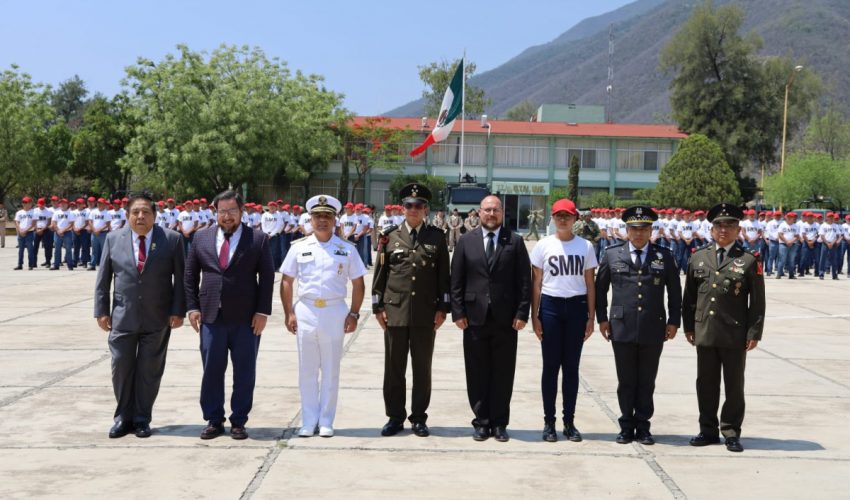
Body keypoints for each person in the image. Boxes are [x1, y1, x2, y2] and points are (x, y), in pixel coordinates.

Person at [94, 193, 186, 438]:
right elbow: (103, 279)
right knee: (121, 367)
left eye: (146, 212)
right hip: (122, 317)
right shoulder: (113, 239)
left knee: (149, 371)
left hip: (157, 317)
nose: (140, 216)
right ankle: (123, 418)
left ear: (155, 215)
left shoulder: (172, 239)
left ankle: (142, 418)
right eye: (135, 212)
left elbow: (181, 279)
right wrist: (101, 310)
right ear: (127, 215)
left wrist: (179, 310)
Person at [185, 190, 275, 440]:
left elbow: (267, 278)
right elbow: (190, 275)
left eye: (232, 211)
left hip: (246, 319)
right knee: (211, 370)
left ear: (241, 212)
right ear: (215, 212)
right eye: (222, 211)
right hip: (211, 317)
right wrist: (192, 307)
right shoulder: (201, 237)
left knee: (244, 372)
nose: (227, 216)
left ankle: (239, 421)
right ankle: (214, 419)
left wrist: (262, 311)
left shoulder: (257, 239)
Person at [280, 195, 366, 438]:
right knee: (307, 369)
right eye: (317, 216)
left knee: (330, 369)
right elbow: (286, 281)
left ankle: (326, 420)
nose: (322, 220)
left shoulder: (347, 249)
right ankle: (309, 420)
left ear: (335, 219)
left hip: (334, 311)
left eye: (327, 216)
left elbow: (358, 284)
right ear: (310, 219)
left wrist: (354, 313)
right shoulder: (299, 247)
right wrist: (289, 313)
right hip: (306, 310)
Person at [682, 202, 765, 453]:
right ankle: (707, 430)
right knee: (706, 384)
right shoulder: (698, 257)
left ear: (738, 229)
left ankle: (731, 431)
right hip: (705, 331)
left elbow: (757, 302)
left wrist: (754, 333)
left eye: (729, 225)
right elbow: (689, 298)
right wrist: (689, 327)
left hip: (734, 333)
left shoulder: (748, 260)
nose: (723, 230)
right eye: (718, 225)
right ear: (711, 229)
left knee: (734, 385)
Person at [595, 205, 681, 445]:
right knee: (626, 380)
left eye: (644, 229)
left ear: (651, 230)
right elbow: (600, 290)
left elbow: (675, 291)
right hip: (621, 326)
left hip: (653, 326)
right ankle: (626, 425)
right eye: (634, 229)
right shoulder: (612, 254)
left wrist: (674, 321)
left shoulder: (664, 255)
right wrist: (602, 319)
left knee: (646, 381)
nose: (639, 233)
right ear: (627, 230)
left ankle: (643, 426)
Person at [372, 183, 451, 437]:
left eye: (419, 206)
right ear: (402, 208)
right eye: (409, 205)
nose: (413, 209)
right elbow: (380, 275)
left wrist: (443, 308)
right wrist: (377, 307)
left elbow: (444, 277)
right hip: (394, 311)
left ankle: (418, 417)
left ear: (426, 209)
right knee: (394, 367)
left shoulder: (437, 237)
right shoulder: (389, 236)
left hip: (425, 313)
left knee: (422, 368)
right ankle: (395, 417)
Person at [450, 195, 530, 442]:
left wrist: (521, 313)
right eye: (487, 210)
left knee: (503, 373)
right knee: (477, 371)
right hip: (474, 318)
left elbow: (524, 282)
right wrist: (458, 312)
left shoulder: (515, 241)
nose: (491, 214)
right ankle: (481, 422)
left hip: (506, 320)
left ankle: (499, 423)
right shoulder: (466, 241)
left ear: (502, 212)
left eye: (495, 210)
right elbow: (456, 280)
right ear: (479, 213)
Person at [530, 198, 597, 443]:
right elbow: (536, 283)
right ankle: (549, 422)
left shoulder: (585, 246)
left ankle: (569, 422)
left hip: (577, 308)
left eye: (567, 215)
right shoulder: (543, 245)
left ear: (575, 218)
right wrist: (534, 316)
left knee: (571, 368)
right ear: (552, 217)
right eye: (558, 215)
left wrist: (591, 317)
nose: (562, 219)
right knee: (550, 367)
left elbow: (590, 283)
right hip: (551, 307)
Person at [14, 197, 36, 270]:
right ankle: (20, 264)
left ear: (30, 203)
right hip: (20, 232)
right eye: (23, 202)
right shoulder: (19, 212)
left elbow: (33, 224)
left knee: (30, 249)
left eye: (26, 202)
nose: (24, 204)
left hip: (29, 232)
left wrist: (25, 230)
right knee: (21, 249)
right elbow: (17, 222)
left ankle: (31, 265)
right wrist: (20, 230)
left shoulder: (33, 212)